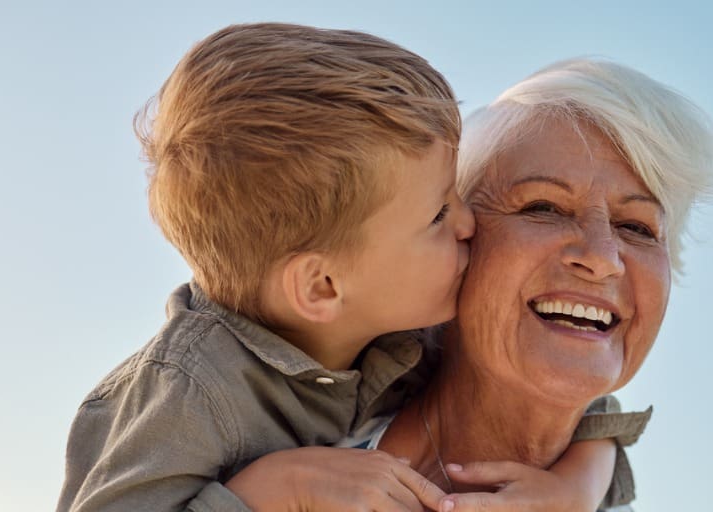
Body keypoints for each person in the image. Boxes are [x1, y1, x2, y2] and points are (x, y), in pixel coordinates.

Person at [57, 25, 634, 512]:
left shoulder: (405, 323)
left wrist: (573, 490)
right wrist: (271, 490)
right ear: (323, 286)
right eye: (437, 214)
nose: (468, 223)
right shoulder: (188, 392)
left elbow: (585, 405)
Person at [231, 58, 713, 511]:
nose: (601, 258)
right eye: (543, 208)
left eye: (637, 228)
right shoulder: (259, 443)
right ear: (457, 238)